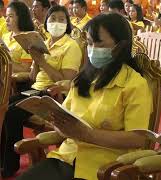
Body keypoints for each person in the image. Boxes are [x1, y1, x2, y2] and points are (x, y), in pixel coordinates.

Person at [17, 13, 152, 180]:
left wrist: (87, 134)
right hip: (68, 157)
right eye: (89, 43)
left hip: (105, 167)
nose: (93, 49)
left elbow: (137, 139)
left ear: (120, 46)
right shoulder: (82, 79)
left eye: (99, 44)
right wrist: (58, 122)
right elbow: (66, 119)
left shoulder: (134, 84)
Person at [0, 5, 82, 177]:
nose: (56, 23)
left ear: (67, 24)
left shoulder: (71, 46)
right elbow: (32, 76)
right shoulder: (44, 43)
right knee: (3, 106)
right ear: (46, 22)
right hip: (35, 89)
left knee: (12, 113)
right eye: (53, 19)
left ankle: (10, 164)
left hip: (52, 93)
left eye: (61, 19)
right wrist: (36, 59)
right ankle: (2, 158)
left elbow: (64, 81)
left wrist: (42, 61)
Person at [2, 1, 34, 74]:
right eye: (6, 16)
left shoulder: (27, 38)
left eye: (10, 16)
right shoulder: (5, 36)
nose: (6, 20)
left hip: (14, 82)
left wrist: (5, 60)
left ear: (21, 17)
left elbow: (26, 69)